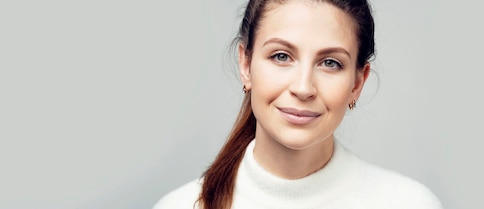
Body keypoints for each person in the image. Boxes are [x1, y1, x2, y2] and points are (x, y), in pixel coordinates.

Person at [154, 0, 442, 208]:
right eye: (281, 56)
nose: (303, 88)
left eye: (330, 63)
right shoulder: (181, 205)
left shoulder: (409, 203)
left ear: (357, 83)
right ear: (245, 63)